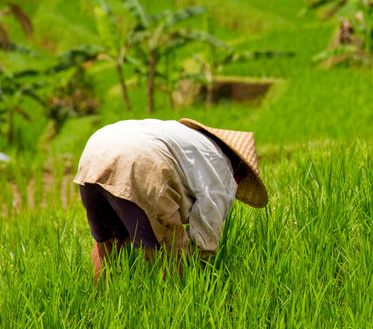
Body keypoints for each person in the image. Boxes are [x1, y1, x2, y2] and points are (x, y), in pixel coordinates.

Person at [73, 118, 268, 281]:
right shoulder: (223, 172)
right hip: (141, 162)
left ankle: (97, 306)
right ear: (240, 173)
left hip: (95, 150)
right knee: (172, 256)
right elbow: (204, 239)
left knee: (106, 244)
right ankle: (177, 312)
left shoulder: (188, 139)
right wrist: (200, 275)